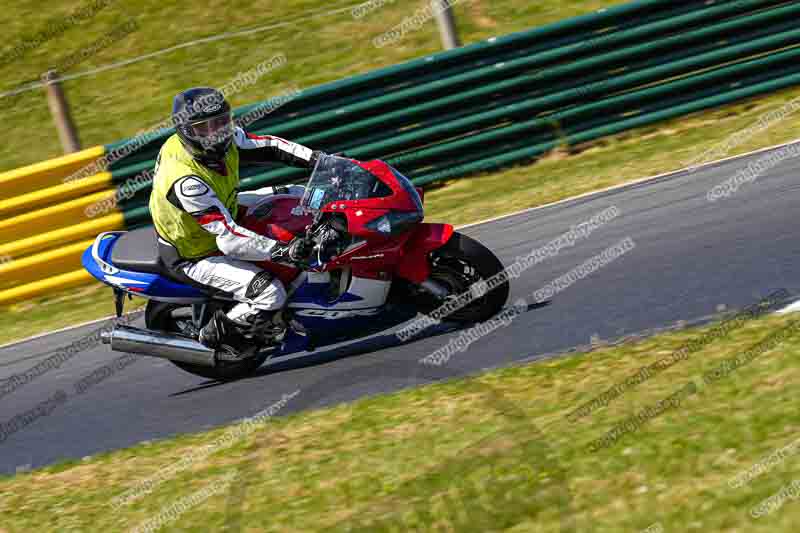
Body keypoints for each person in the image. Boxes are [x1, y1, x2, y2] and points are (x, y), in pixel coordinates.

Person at [148, 87, 322, 353]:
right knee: (270, 292)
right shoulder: (185, 180)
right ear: (186, 131)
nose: (215, 133)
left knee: (299, 195)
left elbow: (271, 146)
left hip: (225, 210)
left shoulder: (226, 140)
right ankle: (214, 336)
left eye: (221, 122)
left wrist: (320, 161)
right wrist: (284, 251)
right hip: (196, 253)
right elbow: (228, 238)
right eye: (203, 128)